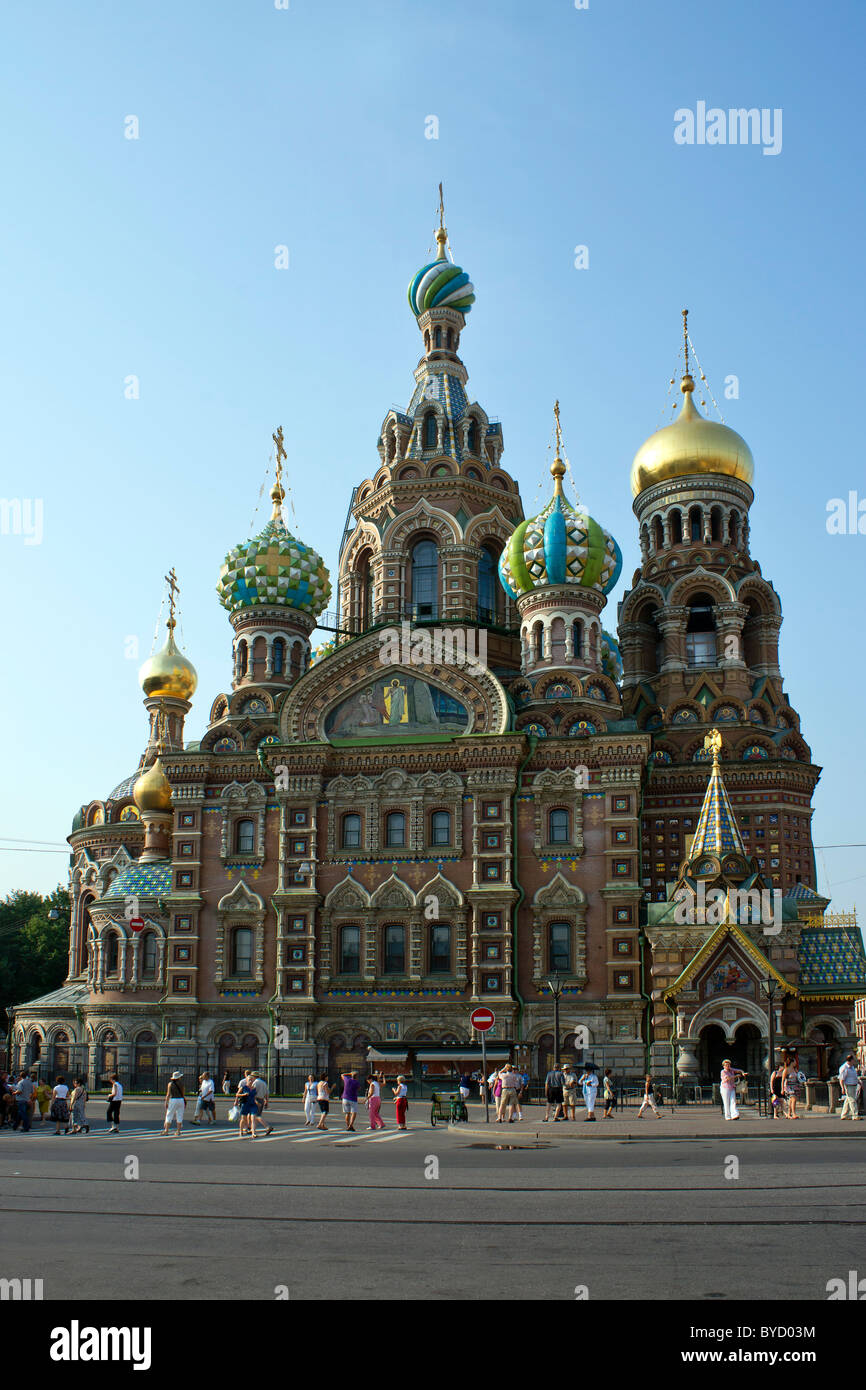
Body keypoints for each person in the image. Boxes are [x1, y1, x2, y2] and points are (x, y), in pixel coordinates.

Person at [163, 1071, 186, 1137]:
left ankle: (166, 1130)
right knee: (179, 1115)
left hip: (173, 1099)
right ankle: (178, 1131)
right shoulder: (182, 1084)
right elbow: (183, 1093)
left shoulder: (170, 1084)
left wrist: (166, 1102)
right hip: (181, 1099)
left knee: (169, 1114)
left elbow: (168, 1094)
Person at [838, 1054, 861, 1120]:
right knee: (852, 1100)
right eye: (853, 1060)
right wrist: (842, 1088)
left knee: (848, 1100)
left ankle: (844, 1115)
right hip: (848, 1085)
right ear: (851, 1060)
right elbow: (841, 1079)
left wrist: (859, 1082)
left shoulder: (852, 1067)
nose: (854, 1061)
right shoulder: (844, 1068)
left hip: (854, 1085)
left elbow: (854, 1076)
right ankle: (855, 1115)